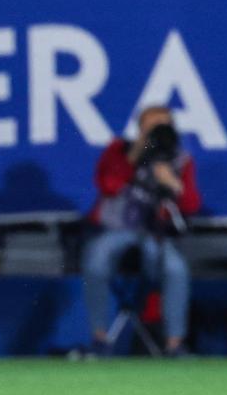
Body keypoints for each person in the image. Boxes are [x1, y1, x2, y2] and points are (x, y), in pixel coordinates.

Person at [84, 106, 201, 356]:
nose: (158, 132)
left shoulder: (179, 160)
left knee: (176, 268)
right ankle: (100, 338)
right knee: (96, 258)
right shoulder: (119, 150)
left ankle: (174, 344)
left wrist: (172, 183)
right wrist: (137, 152)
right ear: (139, 129)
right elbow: (108, 185)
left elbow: (191, 206)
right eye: (151, 126)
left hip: (153, 235)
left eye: (163, 125)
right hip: (117, 230)